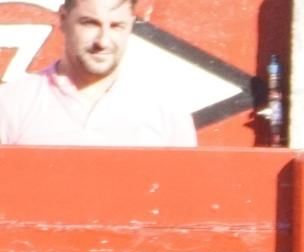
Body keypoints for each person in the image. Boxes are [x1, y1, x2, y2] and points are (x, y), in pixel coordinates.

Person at [0, 0, 197, 146]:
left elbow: (185, 198)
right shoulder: (10, 104)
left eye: (116, 26)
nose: (103, 41)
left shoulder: (167, 112)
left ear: (130, 25)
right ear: (63, 19)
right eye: (90, 23)